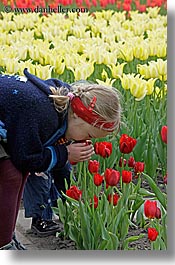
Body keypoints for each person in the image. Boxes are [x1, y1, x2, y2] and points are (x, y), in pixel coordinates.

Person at [0, 68, 122, 250]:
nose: (85, 141)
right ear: (76, 115)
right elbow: (26, 159)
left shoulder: (62, 106)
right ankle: (3, 244)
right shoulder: (44, 114)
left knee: (18, 174)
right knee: (11, 174)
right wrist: (64, 154)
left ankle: (7, 236)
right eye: (88, 134)